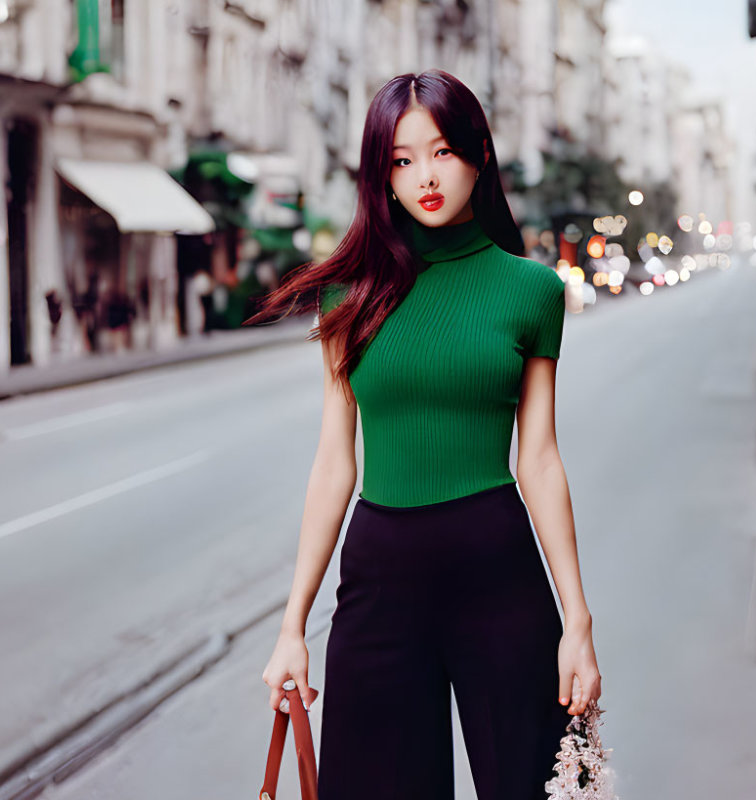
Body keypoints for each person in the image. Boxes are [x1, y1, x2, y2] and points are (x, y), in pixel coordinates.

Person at [246, 69, 602, 800]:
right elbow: (334, 464)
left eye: (440, 152)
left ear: (478, 155)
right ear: (381, 178)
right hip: (381, 578)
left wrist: (578, 621)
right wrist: (292, 628)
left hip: (496, 568)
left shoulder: (532, 291)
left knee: (536, 787)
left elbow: (537, 458)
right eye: (401, 161)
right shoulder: (349, 296)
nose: (424, 177)